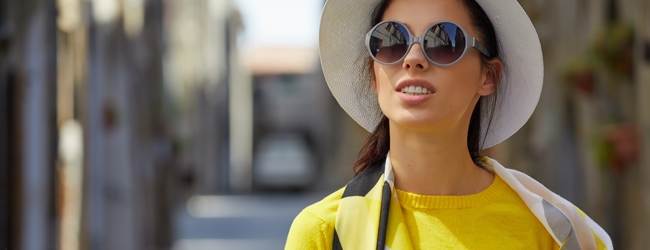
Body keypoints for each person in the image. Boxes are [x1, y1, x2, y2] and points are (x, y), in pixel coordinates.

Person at [285, 0, 613, 249]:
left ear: (488, 76)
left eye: (443, 42)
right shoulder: (325, 233)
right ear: (374, 75)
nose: (413, 59)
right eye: (392, 40)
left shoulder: (554, 231)